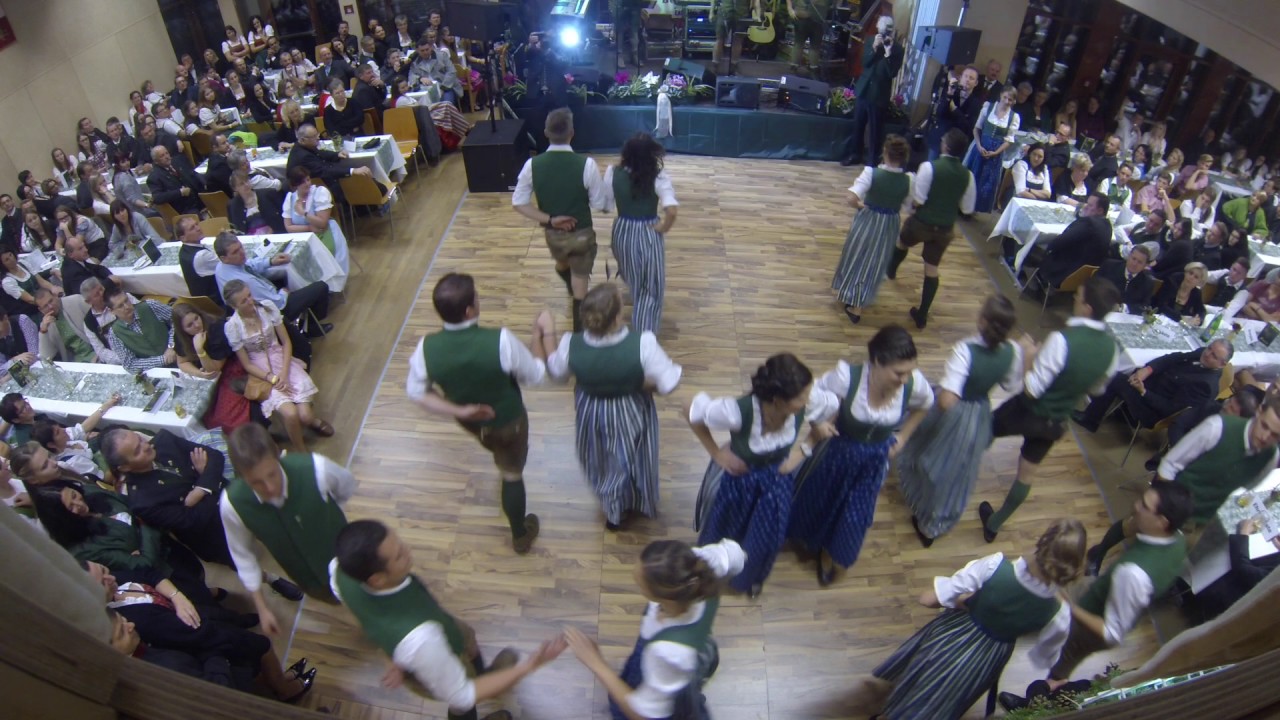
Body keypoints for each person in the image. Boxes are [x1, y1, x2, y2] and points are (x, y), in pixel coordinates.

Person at [332, 519, 566, 720]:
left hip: (431, 627)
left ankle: (484, 677)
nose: (408, 550)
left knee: (467, 636)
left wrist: (391, 657)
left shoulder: (339, 572)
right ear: (377, 580)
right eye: (400, 556)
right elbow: (461, 695)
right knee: (462, 705)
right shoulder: (423, 641)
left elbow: (368, 617)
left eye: (400, 542)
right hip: (429, 655)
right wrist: (530, 666)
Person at [863, 519, 1084, 720]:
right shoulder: (1059, 612)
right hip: (987, 660)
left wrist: (961, 602)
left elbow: (929, 599)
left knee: (920, 676)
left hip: (951, 637)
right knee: (941, 700)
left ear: (1041, 544)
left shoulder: (995, 566)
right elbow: (1043, 657)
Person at [996, 483, 1193, 706]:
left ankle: (1035, 703)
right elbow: (1128, 529)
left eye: (1145, 506)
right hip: (1102, 594)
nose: (1136, 506)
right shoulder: (1177, 539)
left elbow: (1112, 633)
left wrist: (1071, 608)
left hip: (1090, 630)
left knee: (1062, 663)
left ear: (1162, 522)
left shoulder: (1133, 575)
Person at [406, 273, 549, 554]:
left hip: (473, 425)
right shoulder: (501, 341)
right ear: (470, 310)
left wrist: (460, 410)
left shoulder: (425, 348)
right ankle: (520, 534)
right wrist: (538, 338)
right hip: (509, 423)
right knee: (512, 474)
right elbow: (535, 376)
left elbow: (416, 392)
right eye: (477, 297)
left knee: (495, 449)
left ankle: (499, 458)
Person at [979, 277, 1120, 541]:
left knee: (982, 432)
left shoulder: (1062, 340)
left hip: (1027, 411)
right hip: (1056, 422)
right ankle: (994, 525)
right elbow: (1097, 391)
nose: (1074, 300)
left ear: (1088, 308)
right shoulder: (1112, 350)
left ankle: (956, 480)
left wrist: (1029, 357)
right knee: (1027, 472)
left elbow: (1031, 389)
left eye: (1078, 297)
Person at [789, 326, 933, 585]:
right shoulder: (847, 378)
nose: (905, 378)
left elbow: (925, 403)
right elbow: (811, 397)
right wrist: (817, 425)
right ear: (877, 362)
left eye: (909, 371)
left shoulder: (913, 383)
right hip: (836, 454)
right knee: (821, 500)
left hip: (873, 463)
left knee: (854, 515)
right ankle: (813, 541)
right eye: (898, 372)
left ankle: (832, 552)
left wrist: (903, 436)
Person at [690, 354, 836, 597]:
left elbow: (830, 405)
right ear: (778, 400)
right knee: (726, 528)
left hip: (775, 485)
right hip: (739, 483)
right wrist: (717, 453)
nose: (808, 400)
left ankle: (749, 578)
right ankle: (708, 575)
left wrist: (812, 436)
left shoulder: (807, 404)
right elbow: (691, 410)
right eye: (802, 398)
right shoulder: (737, 412)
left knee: (765, 538)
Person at [546, 283, 681, 529]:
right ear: (618, 317)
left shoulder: (570, 344)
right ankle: (638, 499)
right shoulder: (644, 344)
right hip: (631, 409)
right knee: (634, 456)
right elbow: (669, 384)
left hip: (591, 410)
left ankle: (613, 511)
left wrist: (546, 336)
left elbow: (556, 372)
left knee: (601, 460)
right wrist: (642, 382)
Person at [564, 538, 745, 720]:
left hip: (670, 672)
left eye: (641, 586)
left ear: (664, 598)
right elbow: (735, 554)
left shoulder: (668, 653)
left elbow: (643, 714)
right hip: (695, 653)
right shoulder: (697, 564)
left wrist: (595, 661)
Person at [896, 296, 1022, 545]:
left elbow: (946, 401)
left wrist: (944, 395)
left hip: (955, 415)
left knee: (933, 461)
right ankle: (934, 523)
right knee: (956, 471)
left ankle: (926, 520)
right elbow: (1010, 384)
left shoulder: (966, 351)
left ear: (982, 320)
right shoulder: (1013, 351)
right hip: (980, 414)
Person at [221, 423, 354, 635]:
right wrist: (262, 609)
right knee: (339, 603)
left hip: (351, 561)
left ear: (278, 455)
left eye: (272, 474)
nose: (270, 487)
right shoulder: (232, 504)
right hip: (308, 580)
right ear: (242, 477)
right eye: (256, 482)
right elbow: (242, 555)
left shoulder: (314, 468)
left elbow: (345, 487)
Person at [512, 108, 608, 332]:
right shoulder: (586, 165)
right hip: (582, 236)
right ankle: (578, 339)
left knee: (564, 264)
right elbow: (598, 203)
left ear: (546, 132)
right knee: (580, 291)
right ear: (572, 133)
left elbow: (518, 203)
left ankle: (568, 278)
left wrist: (550, 219)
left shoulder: (531, 166)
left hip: (554, 237)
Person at [99, 427, 236, 568]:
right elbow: (195, 520)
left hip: (232, 497)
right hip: (216, 535)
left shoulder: (165, 440)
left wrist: (201, 489)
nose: (146, 446)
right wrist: (205, 476)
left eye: (140, 440)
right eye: (137, 451)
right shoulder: (143, 502)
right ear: (125, 468)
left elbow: (215, 456)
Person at [223, 279, 331, 451]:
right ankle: (300, 449)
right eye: (244, 301)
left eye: (249, 295)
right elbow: (247, 364)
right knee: (290, 413)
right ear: (234, 306)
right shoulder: (233, 327)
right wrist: (273, 378)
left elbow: (286, 342)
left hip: (282, 360)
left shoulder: (266, 308)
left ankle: (312, 421)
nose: (250, 301)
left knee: (304, 416)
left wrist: (284, 372)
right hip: (261, 372)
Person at [884, 128, 977, 330]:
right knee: (931, 269)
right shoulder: (968, 176)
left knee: (902, 242)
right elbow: (967, 208)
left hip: (922, 223)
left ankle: (890, 271)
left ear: (945, 146)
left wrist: (910, 210)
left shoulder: (929, 167)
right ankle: (922, 314)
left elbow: (918, 200)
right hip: (945, 229)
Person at [831, 134, 914, 324]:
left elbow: (851, 197)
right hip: (890, 223)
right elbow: (910, 205)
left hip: (868, 219)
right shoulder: (909, 180)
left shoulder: (871, 173)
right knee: (875, 262)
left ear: (885, 153)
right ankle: (857, 297)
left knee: (857, 255)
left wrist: (860, 206)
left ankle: (856, 305)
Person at [602, 133, 678, 333]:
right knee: (650, 288)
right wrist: (664, 227)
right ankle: (644, 338)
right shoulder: (659, 177)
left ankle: (637, 301)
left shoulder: (613, 172)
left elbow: (606, 205)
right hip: (647, 231)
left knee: (630, 272)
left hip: (622, 231)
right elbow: (671, 210)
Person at [1072, 341, 1230, 434]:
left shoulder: (1205, 386)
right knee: (1134, 370)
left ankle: (1090, 420)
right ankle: (1117, 409)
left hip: (1154, 408)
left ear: (1222, 364)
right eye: (1209, 348)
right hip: (1154, 385)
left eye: (1214, 355)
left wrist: (1144, 392)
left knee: (1117, 378)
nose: (1207, 354)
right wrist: (1147, 370)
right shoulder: (1203, 353)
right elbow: (1172, 358)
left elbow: (1171, 410)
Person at [212, 232, 332, 335]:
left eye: (240, 247)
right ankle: (310, 327)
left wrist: (270, 261)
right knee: (321, 287)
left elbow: (248, 264)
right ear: (224, 258)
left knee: (282, 276)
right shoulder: (246, 282)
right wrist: (284, 293)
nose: (242, 253)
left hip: (253, 307)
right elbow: (278, 304)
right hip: (272, 313)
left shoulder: (222, 266)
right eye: (235, 252)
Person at [172, 302, 252, 431]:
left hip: (228, 367)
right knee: (200, 412)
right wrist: (198, 373)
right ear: (183, 330)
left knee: (224, 417)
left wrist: (200, 350)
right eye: (189, 325)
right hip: (206, 373)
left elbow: (214, 370)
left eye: (196, 318)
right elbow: (182, 362)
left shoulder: (216, 327)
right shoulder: (181, 337)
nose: (197, 325)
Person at [1185, 516, 1280, 625]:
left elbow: (1243, 570)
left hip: (1230, 600)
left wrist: (1243, 533)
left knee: (1218, 556)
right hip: (1243, 589)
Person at [840, 16, 904, 167]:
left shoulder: (898, 50)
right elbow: (865, 63)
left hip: (879, 93)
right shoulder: (870, 40)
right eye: (882, 30)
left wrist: (888, 54)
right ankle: (855, 154)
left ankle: (872, 159)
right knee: (858, 126)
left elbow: (892, 73)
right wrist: (874, 48)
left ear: (892, 30)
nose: (885, 33)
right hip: (864, 90)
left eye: (888, 30)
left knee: (876, 130)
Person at [285, 124, 376, 206]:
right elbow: (325, 170)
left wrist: (336, 154)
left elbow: (319, 153)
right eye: (314, 136)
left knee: (360, 178)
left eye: (317, 134)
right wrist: (352, 171)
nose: (318, 137)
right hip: (318, 190)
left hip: (320, 183)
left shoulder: (303, 146)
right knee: (360, 181)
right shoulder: (303, 155)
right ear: (303, 140)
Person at [282, 166, 350, 274]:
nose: (307, 183)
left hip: (326, 234)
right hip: (305, 237)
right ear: (295, 185)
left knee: (320, 259)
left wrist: (303, 213)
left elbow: (322, 223)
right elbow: (289, 227)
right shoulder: (290, 198)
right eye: (302, 182)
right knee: (292, 262)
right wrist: (309, 227)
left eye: (308, 179)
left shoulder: (320, 193)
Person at [1036, 193, 1112, 288]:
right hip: (1084, 276)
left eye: (1090, 205)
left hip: (1065, 271)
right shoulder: (1108, 226)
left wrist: (1049, 248)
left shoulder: (1089, 223)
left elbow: (1059, 241)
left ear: (1100, 211)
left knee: (1039, 246)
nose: (1085, 207)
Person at [963, 86, 1020, 213]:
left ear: (1014, 102)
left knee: (985, 183)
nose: (1006, 101)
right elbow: (976, 128)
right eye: (1005, 97)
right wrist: (978, 145)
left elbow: (1009, 140)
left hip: (995, 154)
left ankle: (974, 209)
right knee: (972, 176)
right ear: (1000, 95)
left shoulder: (1014, 117)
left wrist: (996, 152)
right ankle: (963, 206)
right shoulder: (988, 107)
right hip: (980, 148)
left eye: (1010, 100)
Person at [34, 288, 117, 364]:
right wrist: (43, 331)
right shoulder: (46, 325)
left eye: (51, 301)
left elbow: (102, 318)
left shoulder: (76, 301)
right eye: (45, 306)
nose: (50, 306)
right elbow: (46, 357)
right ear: (41, 310)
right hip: (77, 362)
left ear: (55, 296)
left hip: (99, 350)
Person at [105, 289, 177, 373]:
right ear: (112, 311)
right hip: (153, 372)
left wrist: (171, 345)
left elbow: (177, 320)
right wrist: (163, 360)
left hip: (179, 355)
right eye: (120, 306)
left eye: (126, 301)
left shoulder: (150, 306)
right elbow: (130, 364)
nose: (127, 307)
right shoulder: (115, 334)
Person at [926, 67, 981, 161]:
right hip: (939, 139)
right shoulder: (950, 91)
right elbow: (939, 113)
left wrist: (954, 109)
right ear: (960, 78)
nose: (967, 80)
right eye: (965, 76)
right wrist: (949, 95)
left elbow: (968, 127)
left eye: (971, 78)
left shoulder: (976, 103)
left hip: (956, 146)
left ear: (976, 83)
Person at [0, 247, 57, 321]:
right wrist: (48, 303)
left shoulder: (23, 263)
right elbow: (30, 300)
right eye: (7, 260)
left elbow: (41, 281)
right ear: (3, 265)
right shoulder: (7, 282)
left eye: (10, 255)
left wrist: (54, 289)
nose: (11, 259)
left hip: (45, 298)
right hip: (33, 310)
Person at [146, 145, 205, 215]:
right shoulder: (154, 177)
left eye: (167, 153)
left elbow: (193, 174)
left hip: (199, 198)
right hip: (184, 208)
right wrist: (180, 192)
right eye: (162, 156)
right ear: (156, 161)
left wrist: (205, 182)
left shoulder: (177, 162)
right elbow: (157, 197)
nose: (167, 157)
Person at [1096, 245, 1156, 313]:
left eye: (1140, 262)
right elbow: (1094, 286)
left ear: (1145, 266)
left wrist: (1123, 308)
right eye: (1133, 258)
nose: (1134, 264)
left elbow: (1144, 307)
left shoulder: (1148, 283)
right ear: (1128, 257)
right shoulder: (1109, 266)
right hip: (1101, 310)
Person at [228, 171, 286, 236]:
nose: (246, 185)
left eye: (247, 181)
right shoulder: (233, 205)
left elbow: (284, 216)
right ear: (235, 188)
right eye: (241, 184)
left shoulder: (268, 194)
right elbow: (236, 230)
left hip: (275, 235)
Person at [709, 0, 761, 72]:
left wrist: (758, 15)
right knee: (719, 39)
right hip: (724, 12)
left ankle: (733, 66)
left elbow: (756, 1)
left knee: (737, 40)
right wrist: (711, 12)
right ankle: (715, 65)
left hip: (741, 13)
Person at [0, 306, 39, 372]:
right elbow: (1, 369)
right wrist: (14, 360)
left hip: (37, 366)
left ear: (5, 318)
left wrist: (14, 364)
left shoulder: (22, 321)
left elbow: (35, 355)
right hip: (18, 374)